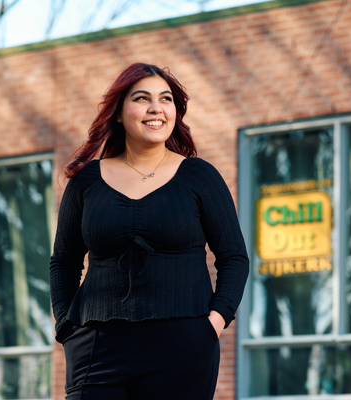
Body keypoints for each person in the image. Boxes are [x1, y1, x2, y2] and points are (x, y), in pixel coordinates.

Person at [49, 62, 249, 400]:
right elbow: (63, 262)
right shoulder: (86, 181)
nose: (156, 108)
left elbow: (234, 258)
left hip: (182, 345)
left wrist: (212, 324)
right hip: (95, 345)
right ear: (118, 112)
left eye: (165, 99)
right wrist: (66, 327)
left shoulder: (199, 176)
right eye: (142, 98)